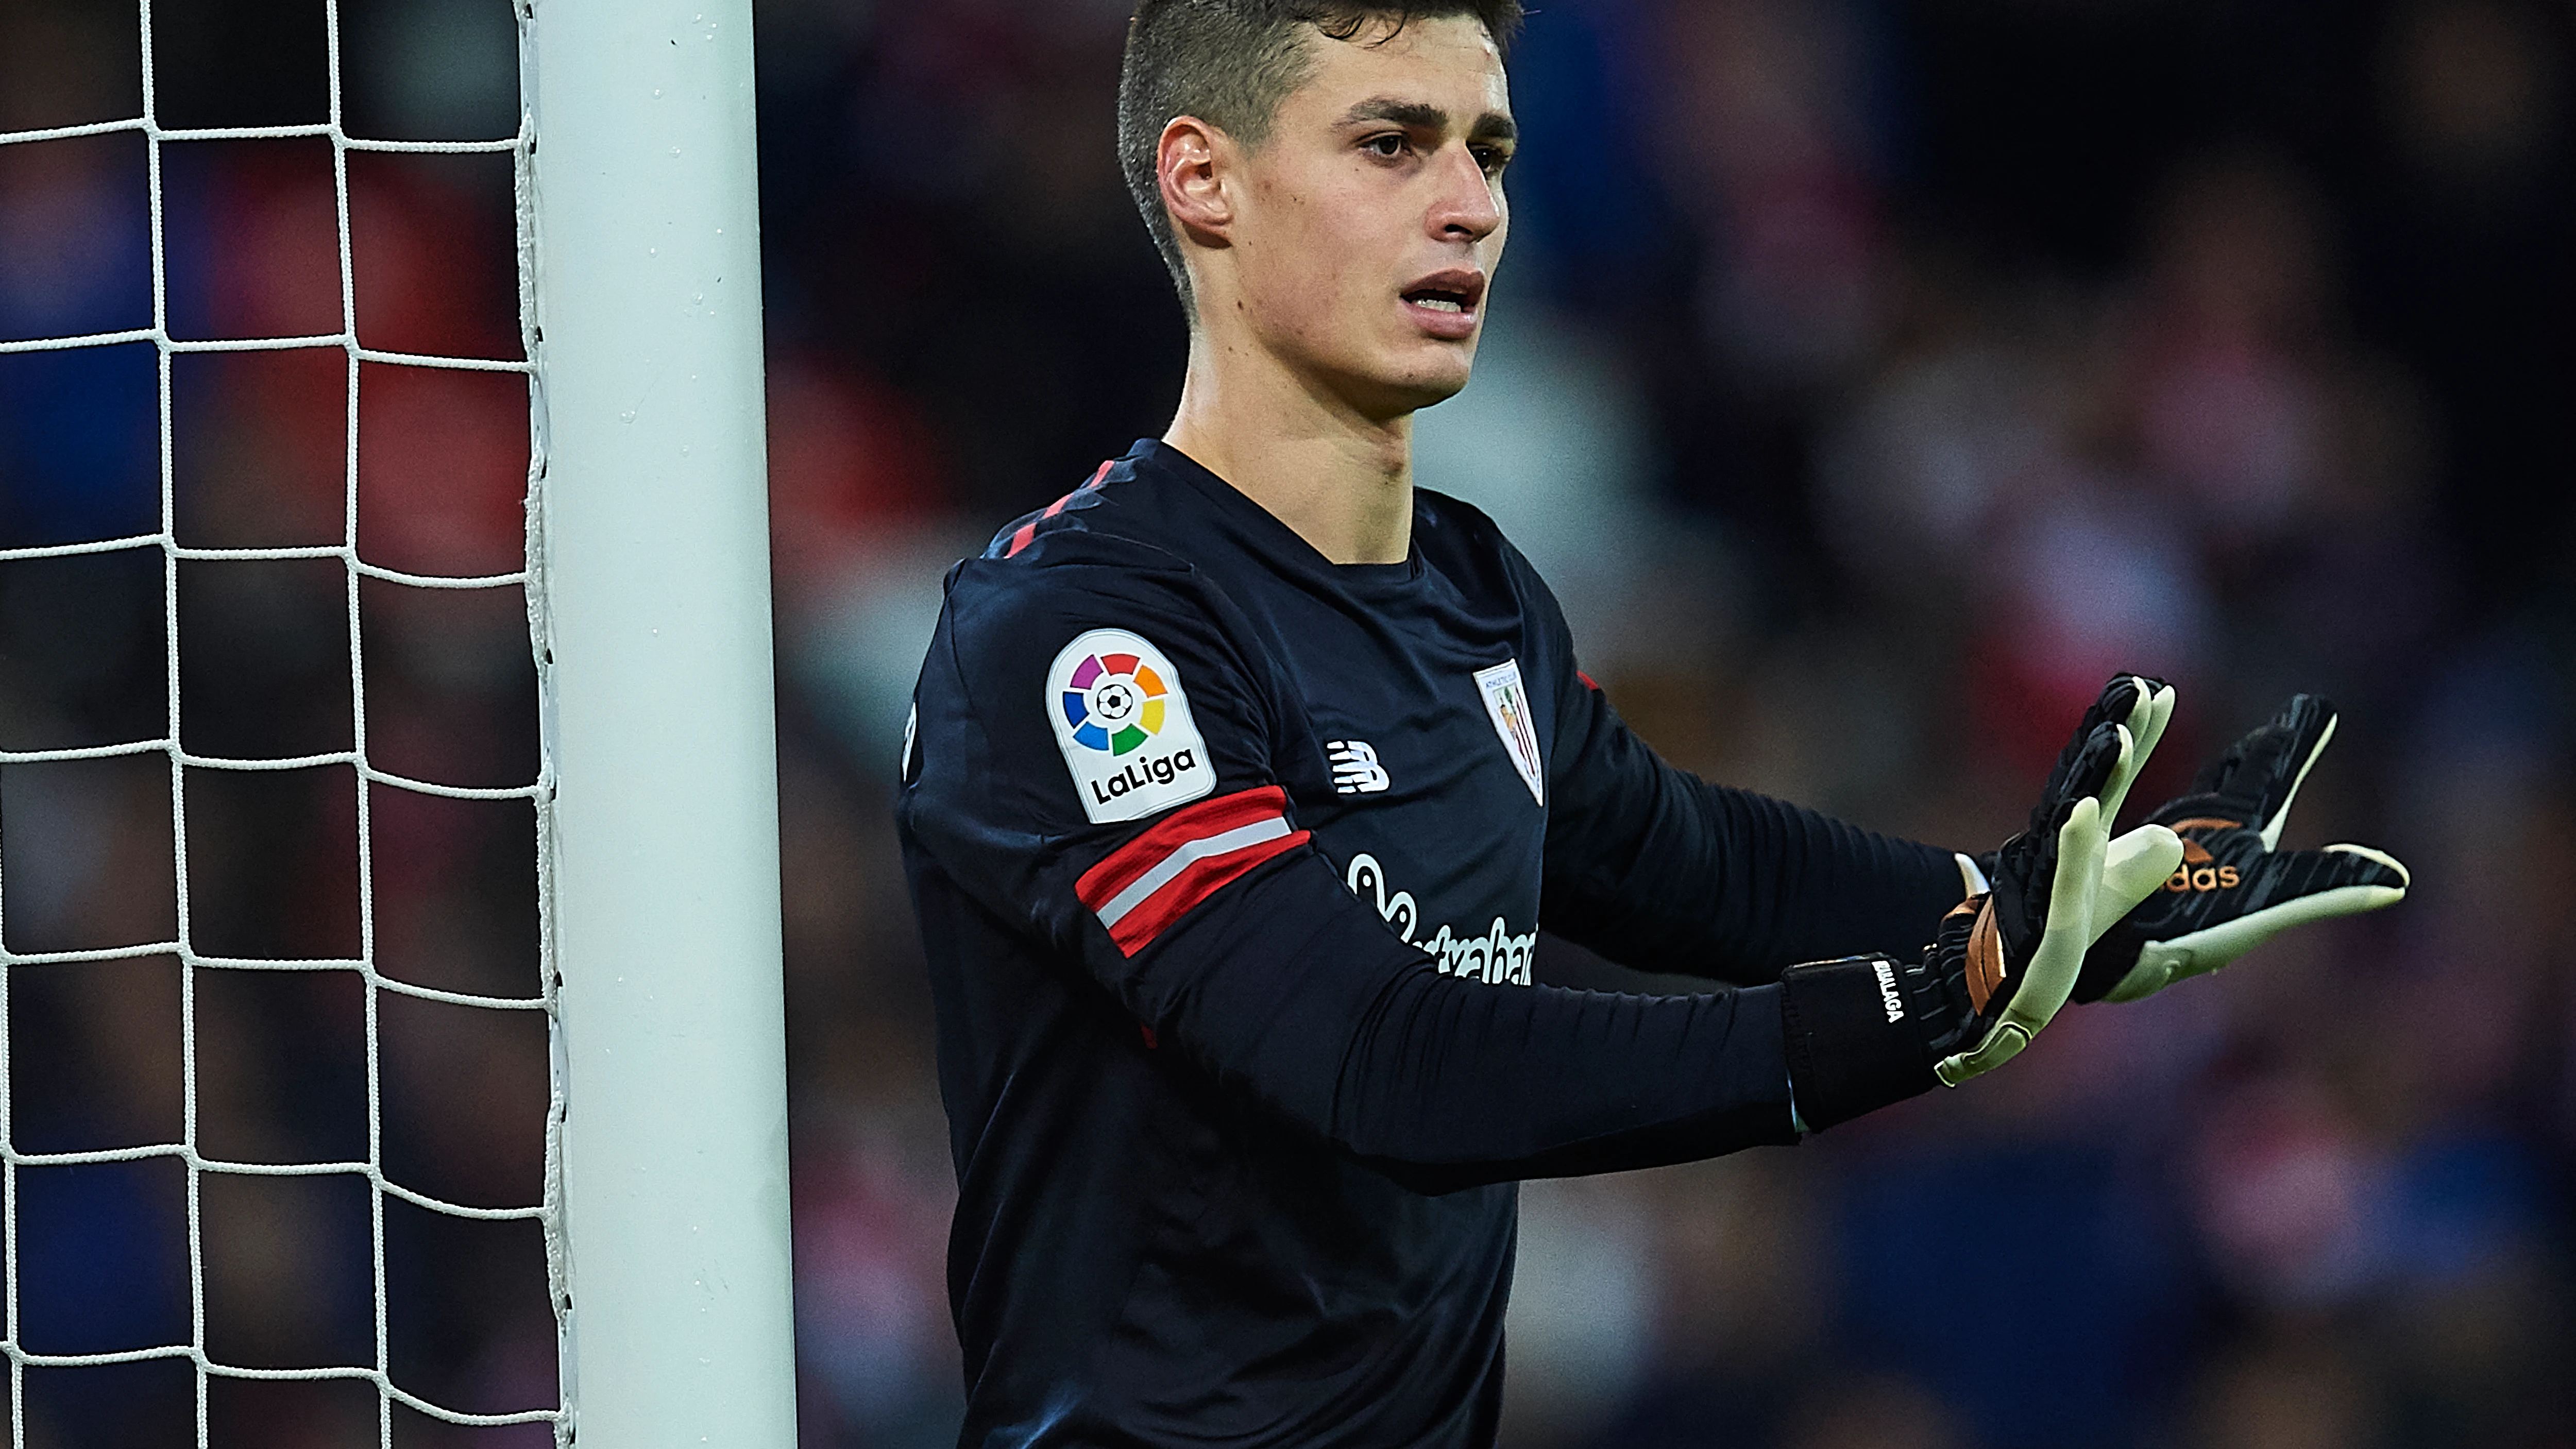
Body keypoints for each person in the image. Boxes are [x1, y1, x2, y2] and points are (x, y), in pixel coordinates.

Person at [892, 4, 2412, 1444]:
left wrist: (2051, 910)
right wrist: (1905, 1013)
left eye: (1486, 150)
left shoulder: (1475, 594)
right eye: (1390, 144)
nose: (1470, 206)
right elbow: (1383, 1059)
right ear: (1203, 178)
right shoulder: (1082, 636)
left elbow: (1695, 865)